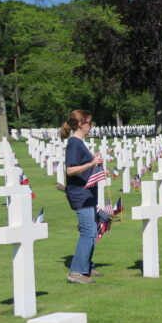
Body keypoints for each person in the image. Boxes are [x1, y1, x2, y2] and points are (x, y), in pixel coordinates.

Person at [62, 109, 103, 284]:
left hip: (87, 193)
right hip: (80, 194)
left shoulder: (80, 143)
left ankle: (86, 266)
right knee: (88, 231)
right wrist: (91, 163)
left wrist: (94, 162)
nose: (91, 126)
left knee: (91, 230)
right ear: (80, 124)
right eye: (89, 123)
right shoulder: (74, 143)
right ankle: (76, 272)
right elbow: (70, 170)